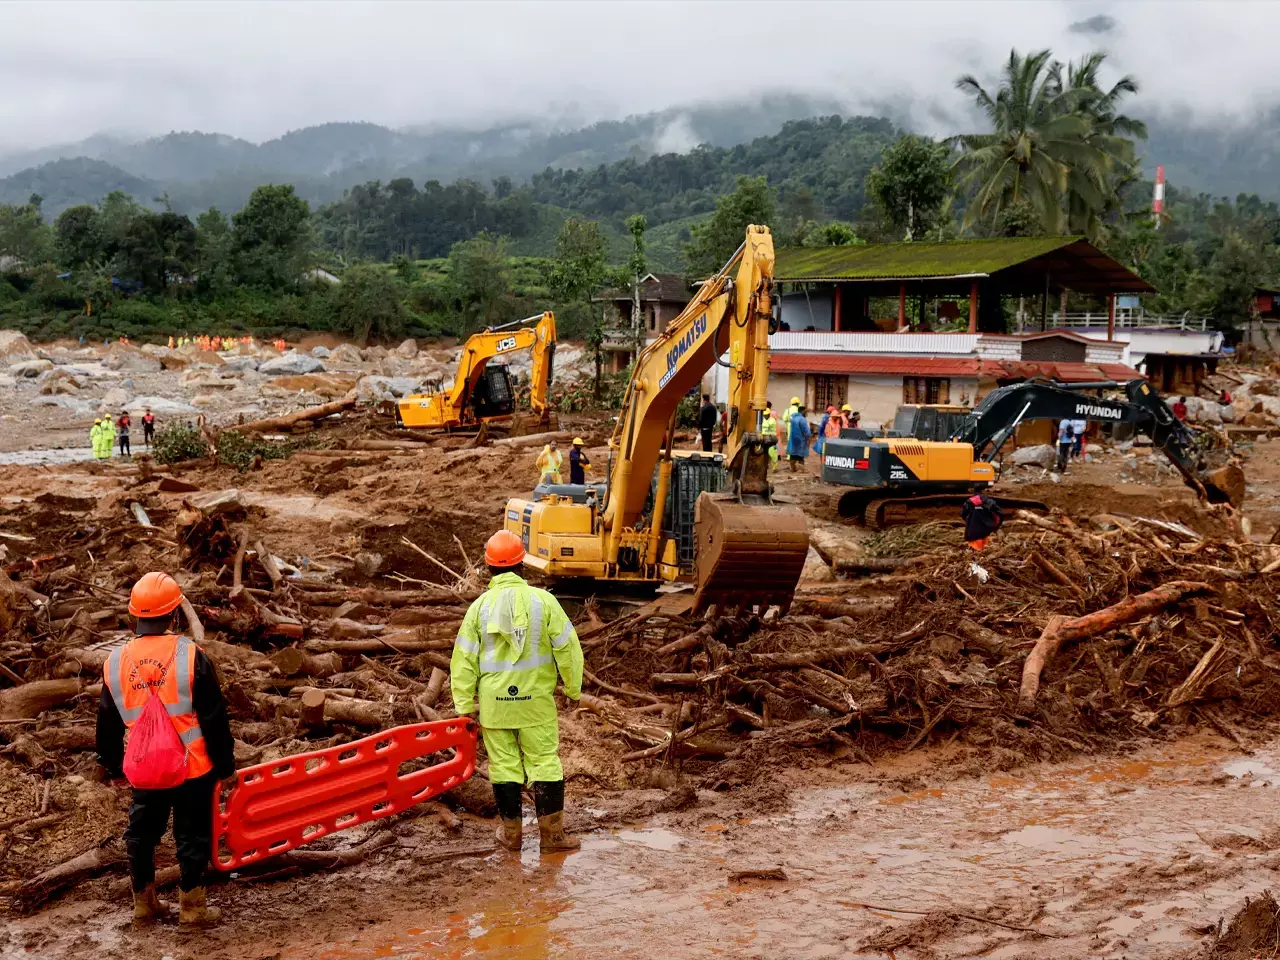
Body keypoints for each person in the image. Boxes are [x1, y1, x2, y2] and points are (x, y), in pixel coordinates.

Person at [96, 572, 234, 926]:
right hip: (194, 767)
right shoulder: (191, 656)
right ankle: (192, 909)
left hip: (145, 769)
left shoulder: (114, 663)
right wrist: (226, 766)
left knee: (141, 834)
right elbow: (215, 718)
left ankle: (144, 903)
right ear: (174, 615)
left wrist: (112, 768)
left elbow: (107, 723)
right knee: (192, 835)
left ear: (134, 617)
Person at [451, 531, 584, 853]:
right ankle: (553, 838)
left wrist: (463, 704)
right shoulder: (544, 601)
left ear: (488, 567)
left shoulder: (479, 608)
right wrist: (573, 688)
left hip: (496, 704)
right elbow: (568, 648)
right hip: (535, 703)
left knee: (504, 766)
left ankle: (511, 836)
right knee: (544, 763)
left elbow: (464, 659)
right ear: (522, 562)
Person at [787, 404, 811, 472]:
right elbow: (806, 431)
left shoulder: (793, 417)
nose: (806, 414)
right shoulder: (802, 419)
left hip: (793, 439)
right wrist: (808, 438)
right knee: (800, 456)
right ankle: (801, 470)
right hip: (800, 440)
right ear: (803, 411)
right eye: (805, 412)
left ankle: (793, 468)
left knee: (793, 455)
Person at [760, 402, 779, 470]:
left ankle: (774, 467)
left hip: (771, 439)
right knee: (762, 452)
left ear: (769, 414)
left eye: (766, 415)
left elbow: (768, 427)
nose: (765, 416)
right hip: (763, 438)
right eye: (764, 415)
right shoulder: (762, 420)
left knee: (772, 453)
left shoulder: (772, 420)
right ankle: (764, 465)